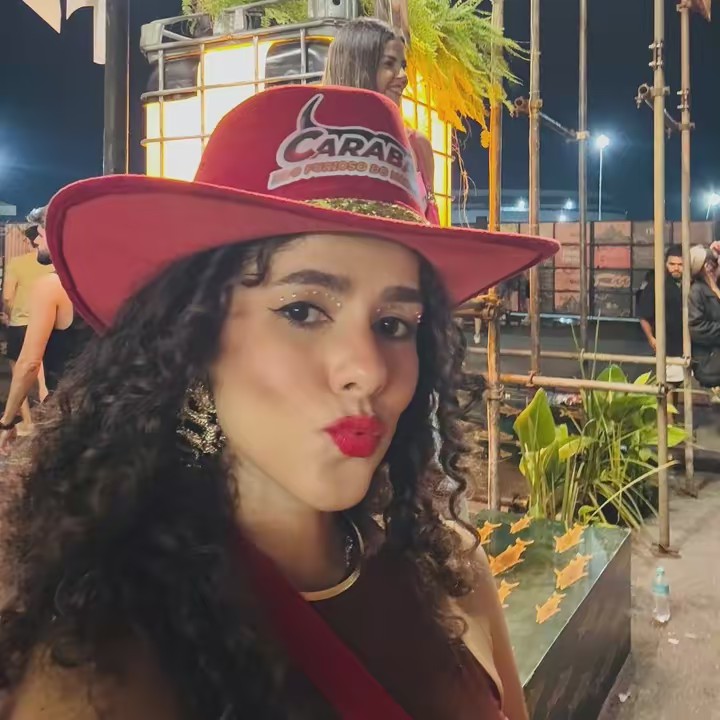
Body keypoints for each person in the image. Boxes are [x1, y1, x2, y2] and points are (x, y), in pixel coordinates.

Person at [0, 86, 556, 719]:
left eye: (394, 323)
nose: (369, 371)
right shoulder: (105, 667)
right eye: (303, 311)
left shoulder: (453, 572)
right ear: (195, 339)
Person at [323, 17, 440, 225]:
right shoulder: (317, 147)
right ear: (356, 67)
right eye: (389, 64)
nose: (403, 76)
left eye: (403, 65)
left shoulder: (418, 146)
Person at [0, 206, 91, 449]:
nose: (37, 240)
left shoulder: (52, 285)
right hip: (108, 409)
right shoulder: (102, 282)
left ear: (58, 238)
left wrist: (7, 422)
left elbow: (29, 363)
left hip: (67, 411)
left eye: (40, 233)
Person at [1, 219, 53, 429]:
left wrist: (10, 314)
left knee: (19, 376)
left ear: (28, 242)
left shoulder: (17, 263)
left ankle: (27, 424)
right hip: (49, 324)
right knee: (44, 378)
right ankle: (49, 421)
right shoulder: (53, 264)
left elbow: (7, 296)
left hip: (21, 324)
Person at [636, 245, 685, 383]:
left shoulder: (690, 283)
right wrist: (651, 338)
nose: (676, 268)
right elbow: (643, 314)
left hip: (690, 347)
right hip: (668, 346)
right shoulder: (657, 284)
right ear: (665, 264)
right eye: (672, 264)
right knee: (668, 384)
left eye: (680, 264)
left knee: (685, 384)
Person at [688, 245, 720, 391]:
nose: (712, 267)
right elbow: (696, 328)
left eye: (714, 263)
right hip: (710, 359)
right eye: (708, 264)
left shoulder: (715, 287)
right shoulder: (697, 291)